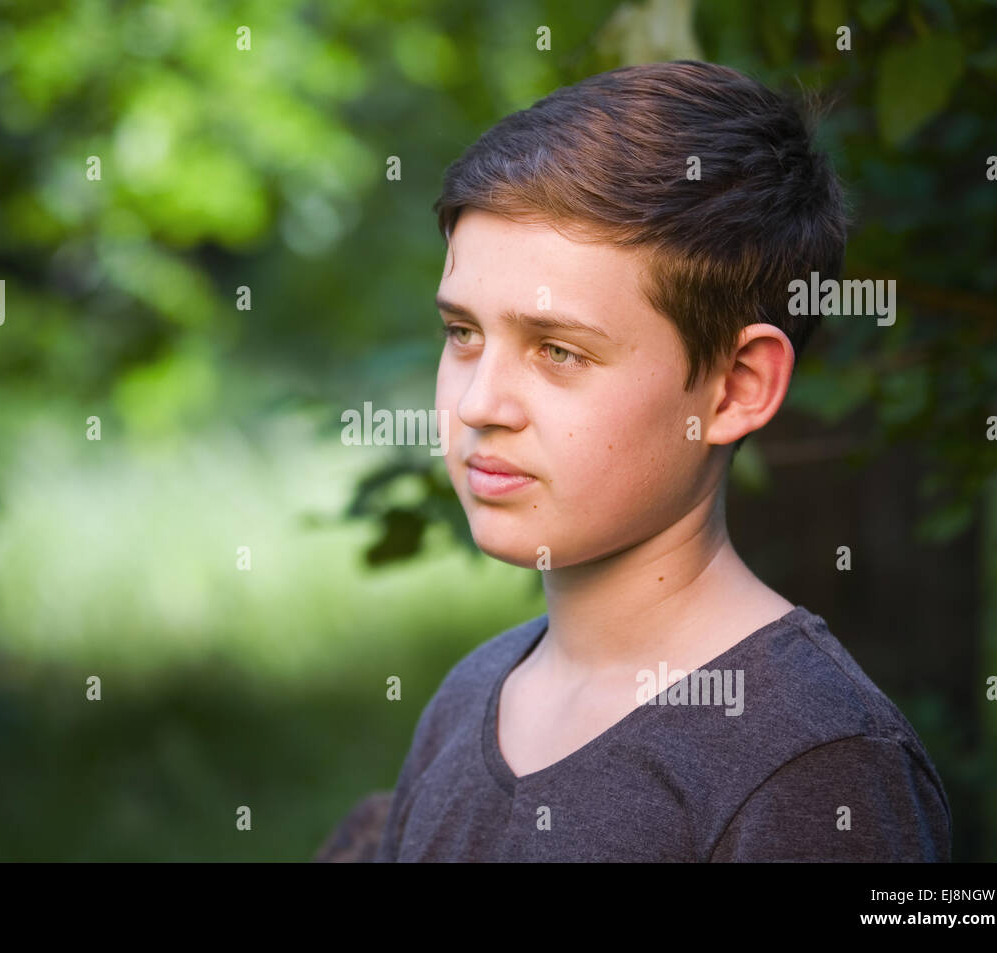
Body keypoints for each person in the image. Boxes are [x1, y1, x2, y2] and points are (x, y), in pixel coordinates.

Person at [371, 60, 951, 862]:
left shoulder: (816, 765)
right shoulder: (471, 694)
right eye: (463, 333)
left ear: (735, 388)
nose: (478, 404)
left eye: (559, 351)